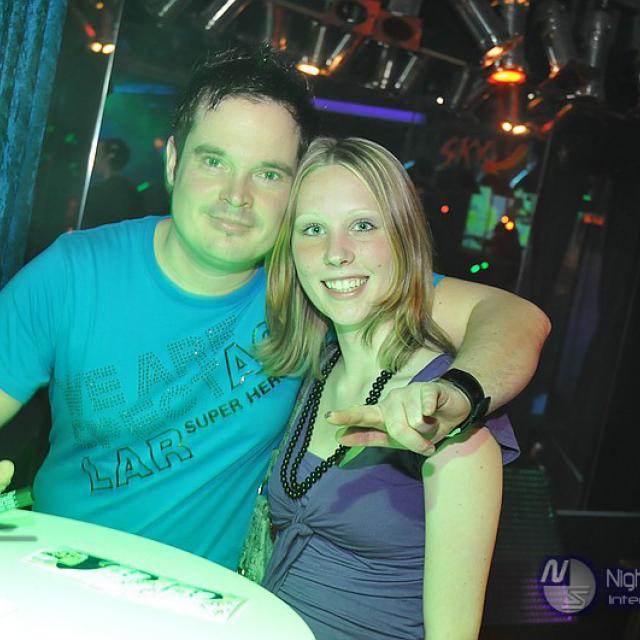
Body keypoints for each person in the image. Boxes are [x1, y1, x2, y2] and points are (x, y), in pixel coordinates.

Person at [0, 45, 549, 570]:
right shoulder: (73, 275)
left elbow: (518, 319)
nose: (236, 195)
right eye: (214, 161)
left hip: (211, 607)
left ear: (294, 190)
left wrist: (458, 394)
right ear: (173, 161)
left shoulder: (318, 282)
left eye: (268, 174)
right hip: (60, 580)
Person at [258, 136, 516, 639]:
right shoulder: (317, 369)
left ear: (403, 237)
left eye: (362, 225)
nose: (336, 253)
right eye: (313, 229)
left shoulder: (442, 411)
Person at [82, 138, 143, 229]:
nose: (94, 160)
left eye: (98, 154)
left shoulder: (97, 194)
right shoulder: (132, 191)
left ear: (108, 157)